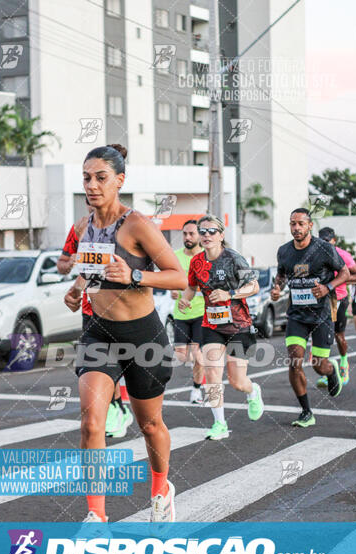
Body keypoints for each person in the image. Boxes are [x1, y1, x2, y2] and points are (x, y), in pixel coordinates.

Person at [64, 144, 187, 524]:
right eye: (87, 177)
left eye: (101, 178)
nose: (92, 185)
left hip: (142, 338)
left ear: (119, 180)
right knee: (90, 422)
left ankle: (161, 489)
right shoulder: (83, 225)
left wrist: (135, 275)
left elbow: (179, 277)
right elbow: (93, 267)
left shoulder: (138, 225)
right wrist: (77, 287)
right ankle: (96, 517)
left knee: (149, 425)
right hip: (98, 334)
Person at [179, 214, 264, 441]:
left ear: (221, 235)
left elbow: (253, 286)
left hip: (238, 325)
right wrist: (186, 299)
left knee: (237, 381)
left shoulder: (234, 259)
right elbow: (191, 287)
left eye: (211, 231)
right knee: (212, 372)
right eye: (202, 231)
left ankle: (252, 391)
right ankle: (219, 423)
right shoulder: (196, 262)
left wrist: (230, 294)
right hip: (211, 325)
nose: (206, 235)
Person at [57, 200, 133, 438]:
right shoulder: (79, 228)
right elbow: (64, 263)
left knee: (120, 363)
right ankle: (117, 410)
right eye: (89, 205)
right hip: (91, 310)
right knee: (97, 366)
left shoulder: (126, 227)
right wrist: (69, 264)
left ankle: (120, 409)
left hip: (120, 308)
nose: (93, 209)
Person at [271, 208, 350, 428]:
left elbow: (344, 273)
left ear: (309, 225)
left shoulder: (324, 249)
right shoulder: (284, 251)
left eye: (300, 224)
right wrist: (277, 289)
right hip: (296, 315)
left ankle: (331, 369)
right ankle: (306, 411)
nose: (296, 228)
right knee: (294, 361)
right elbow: (281, 276)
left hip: (322, 314)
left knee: (318, 365)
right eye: (292, 223)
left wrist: (327, 288)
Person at [317, 227, 356, 387]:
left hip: (339, 299)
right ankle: (326, 370)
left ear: (334, 241)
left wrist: (336, 282)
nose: (324, 244)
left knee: (338, 335)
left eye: (327, 241)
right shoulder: (314, 254)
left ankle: (344, 364)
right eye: (322, 241)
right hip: (321, 301)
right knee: (322, 337)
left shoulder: (343, 255)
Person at [171, 219, 205, 404]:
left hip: (201, 313)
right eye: (185, 233)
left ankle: (196, 390)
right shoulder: (175, 256)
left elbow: (207, 287)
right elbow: (171, 280)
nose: (188, 237)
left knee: (198, 356)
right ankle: (199, 365)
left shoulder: (205, 257)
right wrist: (173, 291)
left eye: (192, 233)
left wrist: (188, 291)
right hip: (180, 315)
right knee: (181, 356)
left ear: (199, 235)